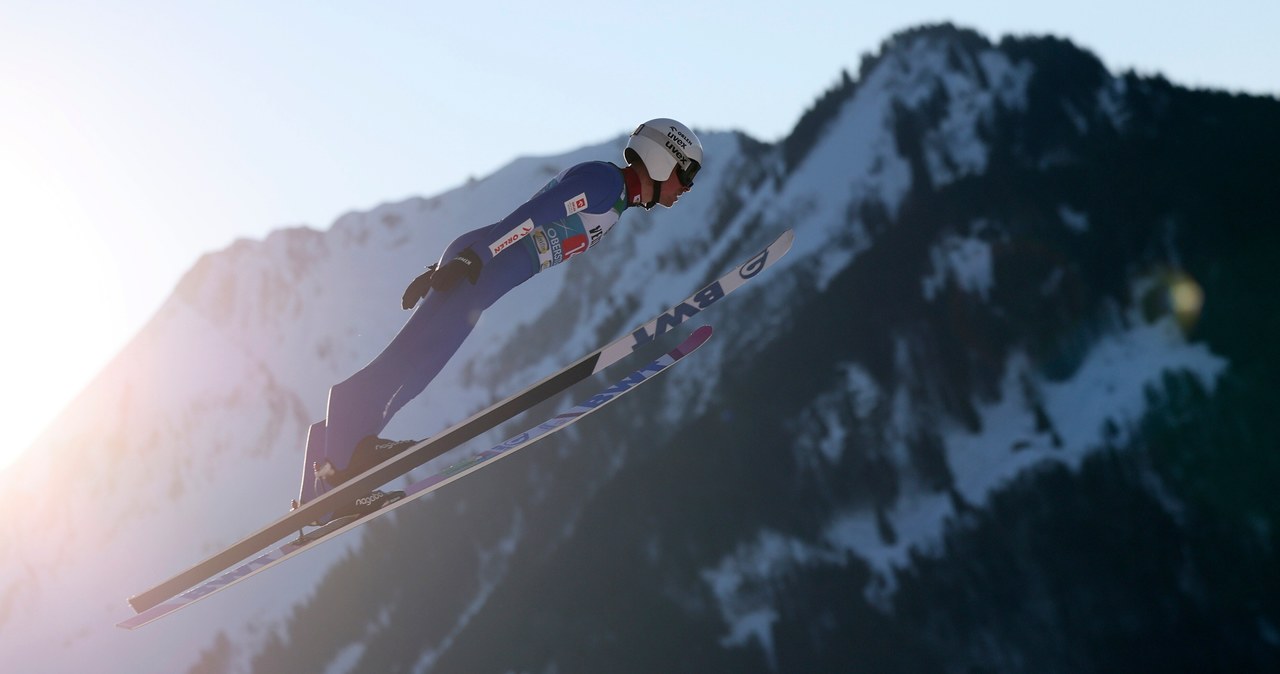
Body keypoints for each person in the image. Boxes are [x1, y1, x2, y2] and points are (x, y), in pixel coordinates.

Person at [295, 118, 704, 520]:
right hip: (482, 268)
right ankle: (338, 477)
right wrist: (476, 258)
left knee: (415, 368)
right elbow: (534, 215)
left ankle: (330, 474)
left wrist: (470, 256)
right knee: (410, 362)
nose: (685, 188)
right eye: (684, 174)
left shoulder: (615, 195)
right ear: (660, 158)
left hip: (482, 266)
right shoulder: (605, 183)